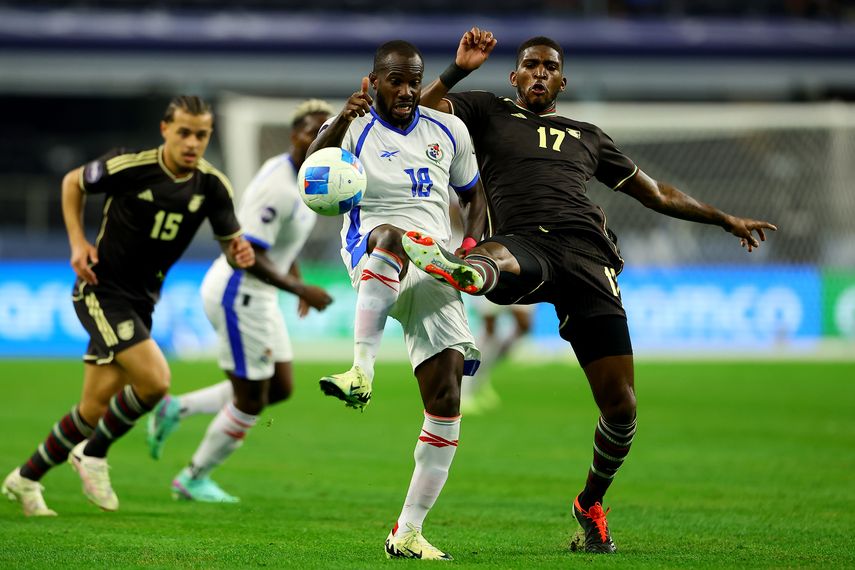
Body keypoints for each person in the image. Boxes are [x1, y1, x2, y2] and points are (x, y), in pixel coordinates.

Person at [402, 28, 778, 553]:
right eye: (530, 65)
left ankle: (590, 502)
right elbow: (403, 116)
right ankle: (466, 268)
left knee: (622, 407)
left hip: (587, 257)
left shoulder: (588, 136)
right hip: (522, 240)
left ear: (562, 80)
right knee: (499, 257)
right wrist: (459, 69)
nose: (539, 72)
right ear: (514, 77)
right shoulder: (487, 111)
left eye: (549, 67)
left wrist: (724, 218)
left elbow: (658, 193)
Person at [0, 95, 254, 517]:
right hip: (102, 290)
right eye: (184, 133)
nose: (193, 143)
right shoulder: (129, 166)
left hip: (143, 301)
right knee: (155, 382)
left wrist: (239, 255)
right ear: (165, 131)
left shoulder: (211, 186)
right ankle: (93, 454)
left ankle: (25, 478)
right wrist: (78, 242)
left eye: (202, 135)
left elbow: (232, 245)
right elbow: (72, 183)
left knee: (93, 408)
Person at [309, 40, 485, 560]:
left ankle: (406, 532)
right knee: (390, 234)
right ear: (374, 80)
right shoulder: (356, 128)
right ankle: (360, 371)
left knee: (447, 400)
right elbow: (312, 165)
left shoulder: (449, 130)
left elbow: (475, 194)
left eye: (414, 80)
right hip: (374, 255)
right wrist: (341, 117)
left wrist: (471, 251)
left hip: (436, 269)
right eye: (395, 80)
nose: (406, 91)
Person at [145, 99, 335, 502]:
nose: (317, 138)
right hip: (238, 291)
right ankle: (193, 478)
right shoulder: (278, 186)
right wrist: (301, 289)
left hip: (259, 294)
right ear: (294, 136)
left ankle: (175, 408)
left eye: (325, 132)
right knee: (250, 396)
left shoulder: (310, 181)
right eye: (310, 131)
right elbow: (247, 252)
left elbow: (281, 242)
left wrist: (295, 274)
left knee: (278, 387)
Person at [460, 300, 533, 415]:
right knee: (489, 329)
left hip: (521, 282)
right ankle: (464, 390)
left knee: (524, 325)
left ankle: (481, 376)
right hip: (496, 283)